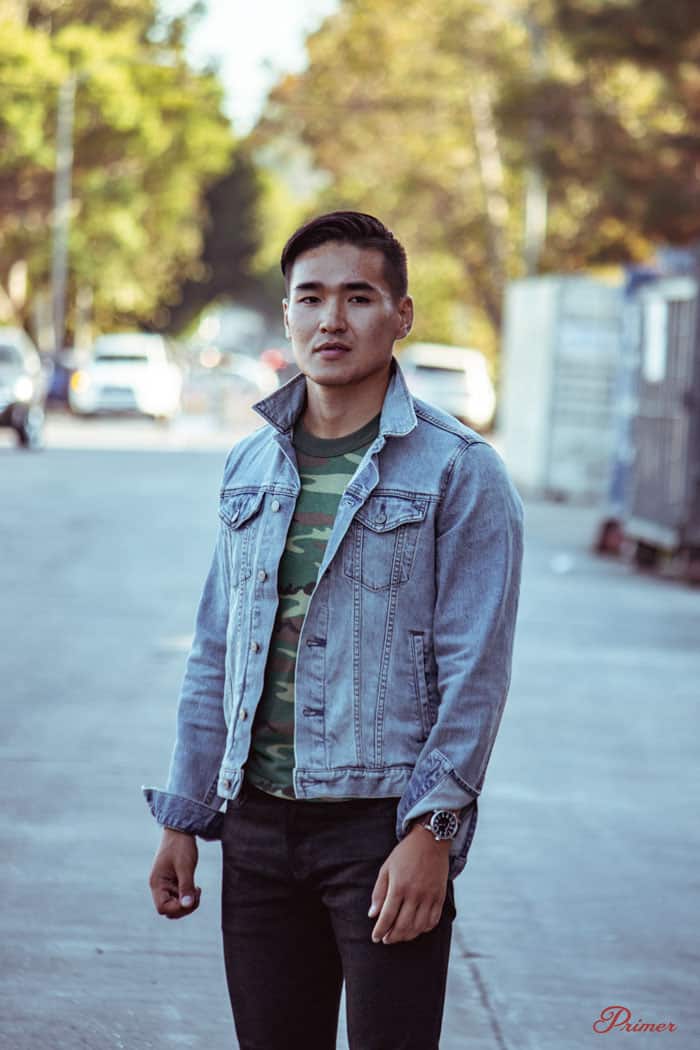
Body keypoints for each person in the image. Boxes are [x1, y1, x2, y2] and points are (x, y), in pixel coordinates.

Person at [145, 211, 523, 1050]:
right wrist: (185, 812)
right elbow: (218, 650)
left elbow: (477, 675)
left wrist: (435, 833)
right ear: (287, 316)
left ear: (402, 314)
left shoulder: (461, 471)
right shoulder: (251, 463)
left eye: (359, 297)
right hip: (255, 827)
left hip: (380, 828)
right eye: (310, 298)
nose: (332, 319)